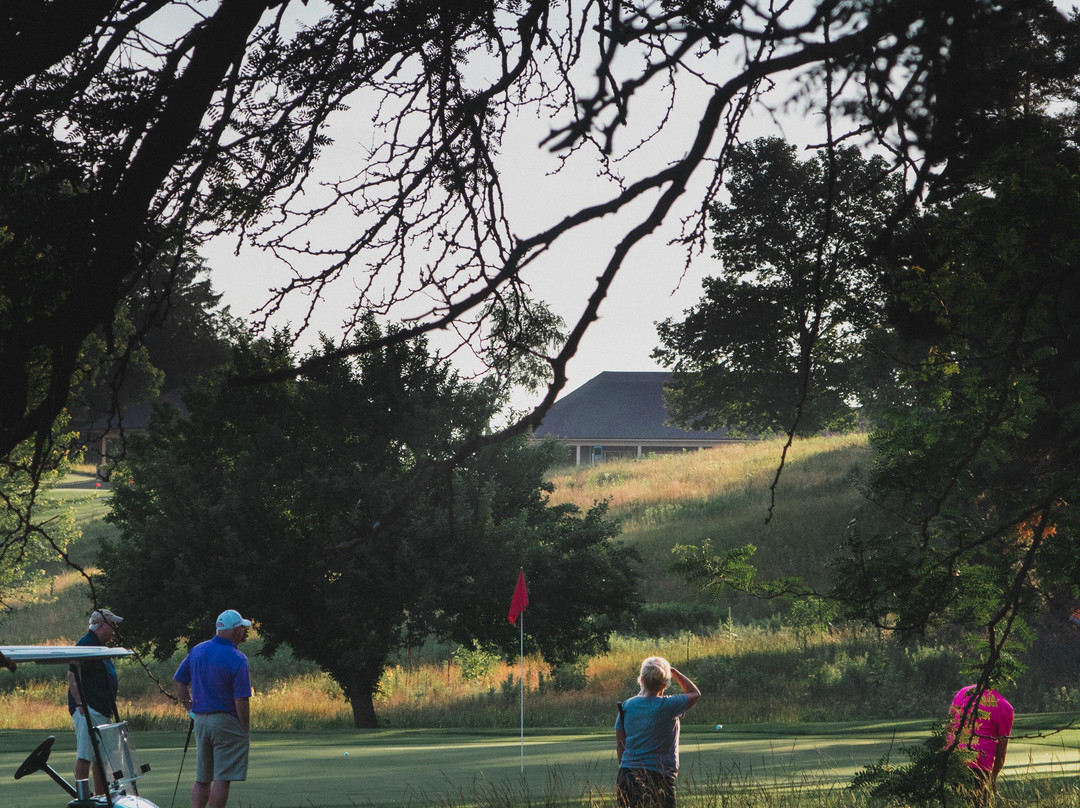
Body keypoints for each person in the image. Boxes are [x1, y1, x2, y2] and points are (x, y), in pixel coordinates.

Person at [173, 609, 254, 808]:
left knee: (202, 777)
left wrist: (189, 708)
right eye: (241, 628)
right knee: (222, 778)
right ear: (235, 631)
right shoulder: (238, 658)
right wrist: (245, 727)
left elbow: (179, 681)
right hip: (226, 721)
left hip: (200, 720)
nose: (243, 632)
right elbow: (241, 700)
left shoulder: (198, 650)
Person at [615, 656, 701, 808]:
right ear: (665, 684)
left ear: (641, 679)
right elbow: (694, 693)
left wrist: (625, 771)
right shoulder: (668, 705)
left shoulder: (626, 706)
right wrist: (674, 672)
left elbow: (621, 745)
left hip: (627, 775)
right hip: (658, 776)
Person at [67, 608, 123, 795]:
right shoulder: (86, 645)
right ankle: (83, 798)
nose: (114, 629)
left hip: (100, 709)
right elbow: (72, 676)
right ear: (101, 625)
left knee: (101, 758)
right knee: (85, 755)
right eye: (112, 624)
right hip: (89, 709)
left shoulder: (98, 646)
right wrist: (81, 704)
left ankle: (101, 797)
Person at [946, 684, 1014, 804]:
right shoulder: (1004, 706)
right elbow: (1001, 753)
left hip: (954, 759)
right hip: (980, 766)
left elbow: (950, 724)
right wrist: (992, 780)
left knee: (958, 802)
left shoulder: (964, 692)